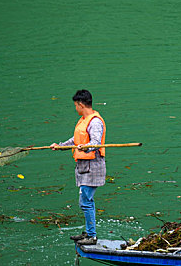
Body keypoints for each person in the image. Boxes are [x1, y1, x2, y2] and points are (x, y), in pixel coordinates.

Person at [51, 89, 106, 246]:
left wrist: (86, 147)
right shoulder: (84, 119)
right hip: (83, 166)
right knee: (86, 200)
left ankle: (92, 236)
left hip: (92, 166)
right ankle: (89, 232)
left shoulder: (95, 122)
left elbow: (95, 143)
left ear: (81, 104)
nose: (75, 108)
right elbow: (76, 139)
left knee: (85, 201)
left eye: (76, 105)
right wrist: (60, 146)